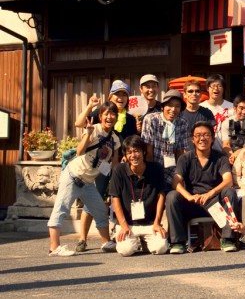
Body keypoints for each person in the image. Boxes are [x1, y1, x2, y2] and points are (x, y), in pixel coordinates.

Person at [48, 102, 120, 256]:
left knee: (100, 210)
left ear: (116, 117)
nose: (109, 117)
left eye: (113, 114)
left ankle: (106, 242)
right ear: (100, 116)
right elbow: (80, 151)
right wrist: (88, 133)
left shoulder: (115, 139)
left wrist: (117, 180)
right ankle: (54, 247)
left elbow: (114, 164)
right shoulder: (94, 129)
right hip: (73, 175)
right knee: (61, 208)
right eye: (106, 114)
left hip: (88, 183)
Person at [73, 80, 137, 253]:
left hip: (119, 164)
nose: (121, 98)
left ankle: (122, 233)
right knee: (92, 200)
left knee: (120, 198)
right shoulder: (100, 112)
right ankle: (82, 238)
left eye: (124, 95)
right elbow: (79, 124)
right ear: (110, 96)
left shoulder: (130, 119)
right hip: (98, 166)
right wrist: (88, 106)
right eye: (118, 94)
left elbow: (131, 142)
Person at [166, 121, 239, 253]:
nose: (202, 138)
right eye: (198, 135)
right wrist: (189, 197)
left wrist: (209, 194)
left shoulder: (221, 158)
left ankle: (228, 239)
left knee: (230, 192)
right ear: (192, 139)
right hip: (192, 204)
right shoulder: (185, 158)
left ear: (212, 138)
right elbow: (176, 182)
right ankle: (178, 242)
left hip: (214, 203)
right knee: (172, 196)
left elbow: (228, 181)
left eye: (206, 135)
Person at [109, 135, 169, 256]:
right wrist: (123, 225)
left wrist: (157, 222)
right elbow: (115, 198)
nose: (133, 155)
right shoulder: (119, 170)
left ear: (144, 152)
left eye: (136, 151)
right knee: (125, 251)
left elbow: (161, 195)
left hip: (150, 223)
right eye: (129, 152)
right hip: (128, 223)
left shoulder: (156, 168)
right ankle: (134, 240)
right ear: (125, 155)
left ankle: (145, 242)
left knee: (161, 248)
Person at [141, 89, 190, 188]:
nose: (173, 109)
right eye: (170, 105)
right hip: (153, 166)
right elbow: (148, 150)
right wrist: (152, 173)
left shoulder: (183, 123)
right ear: (163, 107)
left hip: (172, 169)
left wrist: (179, 175)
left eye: (177, 106)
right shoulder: (151, 119)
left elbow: (180, 152)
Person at [220, 94, 245, 164]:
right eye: (241, 108)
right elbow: (226, 144)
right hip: (232, 157)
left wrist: (239, 152)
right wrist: (232, 156)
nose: (244, 112)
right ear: (235, 108)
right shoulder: (228, 123)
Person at [200, 74, 233, 153]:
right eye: (213, 86)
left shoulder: (231, 107)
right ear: (208, 88)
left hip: (228, 151)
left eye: (219, 86)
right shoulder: (201, 107)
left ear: (223, 88)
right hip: (207, 151)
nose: (216, 88)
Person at [180, 80, 216, 146]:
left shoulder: (207, 113)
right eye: (190, 91)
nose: (194, 94)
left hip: (203, 153)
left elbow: (210, 136)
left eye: (197, 91)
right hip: (183, 153)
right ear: (184, 94)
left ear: (201, 94)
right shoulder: (179, 113)